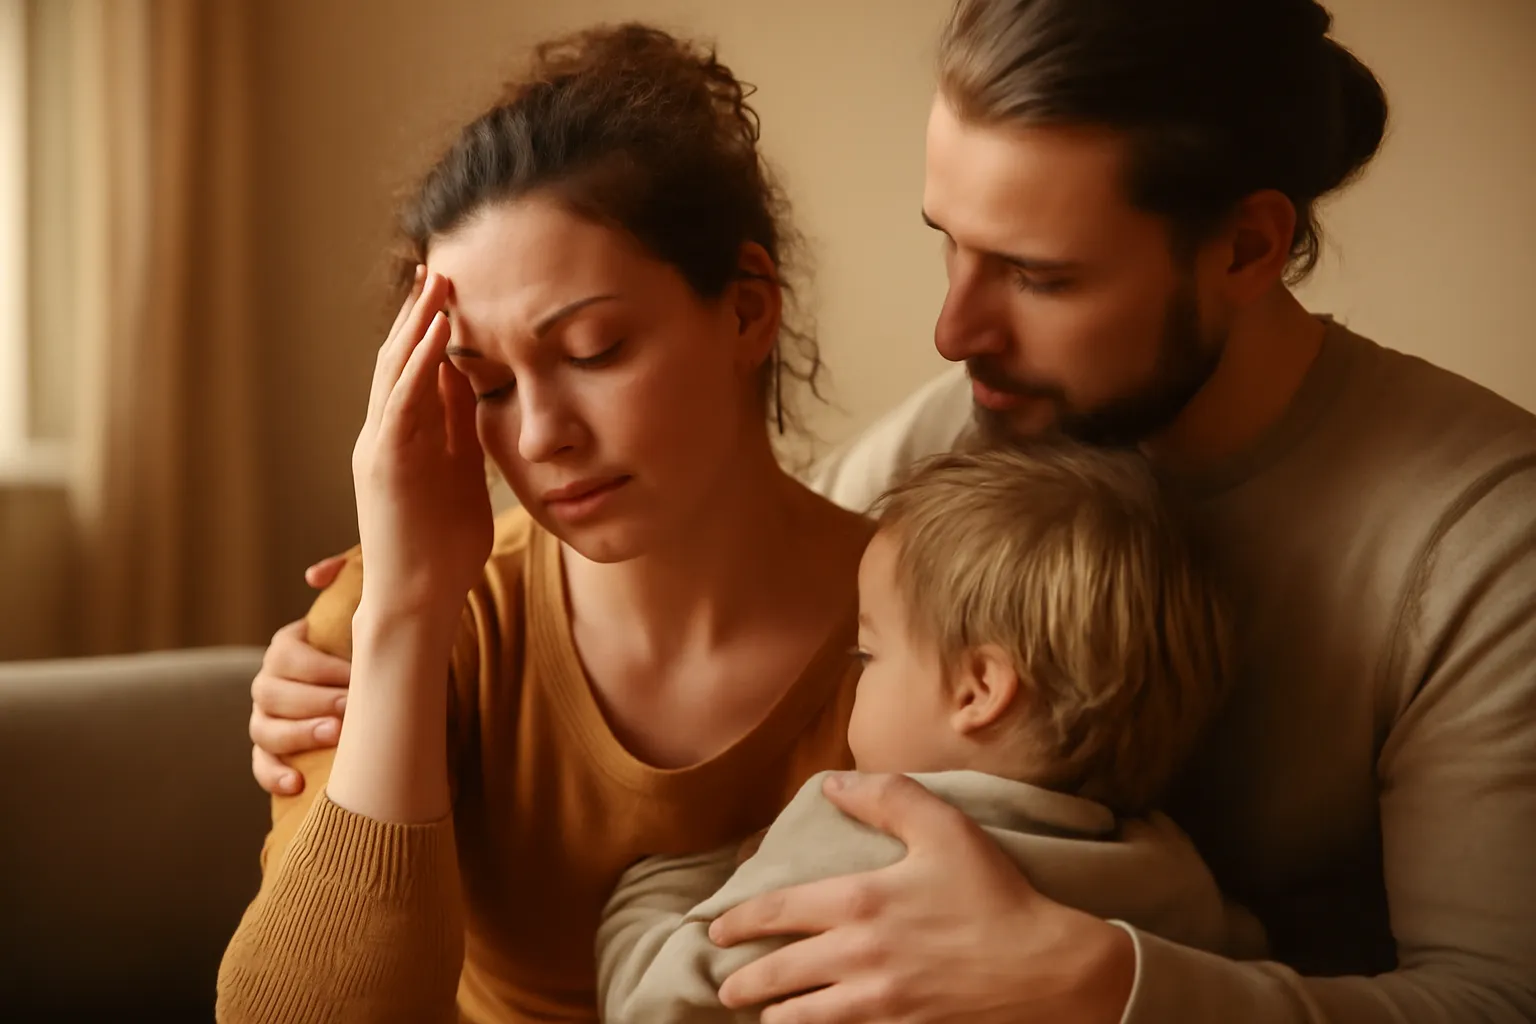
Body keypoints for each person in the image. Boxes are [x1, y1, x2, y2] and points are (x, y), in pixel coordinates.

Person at [250, 0, 1536, 1021]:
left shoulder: (1484, 539)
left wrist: (1094, 981)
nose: (952, 329)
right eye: (950, 245)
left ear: (1248, 250)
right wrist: (392, 633)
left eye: (1036, 273)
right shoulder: (962, 442)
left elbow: (1499, 998)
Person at [216, 23, 875, 1024]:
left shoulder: (928, 621)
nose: (541, 436)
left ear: (746, 310)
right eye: (484, 383)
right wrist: (404, 620)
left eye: (595, 349)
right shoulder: (413, 611)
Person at [597, 444, 1270, 1023]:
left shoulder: (860, 841)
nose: (851, 679)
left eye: (868, 655)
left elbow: (658, 1004)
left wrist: (655, 887)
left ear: (979, 690)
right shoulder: (1174, 876)